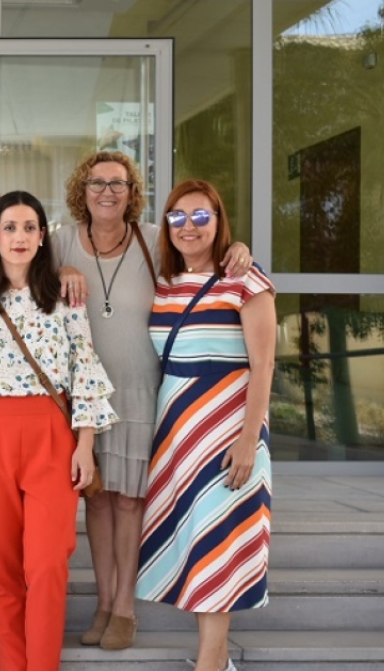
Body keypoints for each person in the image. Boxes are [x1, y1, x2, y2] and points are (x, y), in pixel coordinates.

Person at [54, 151, 254, 649]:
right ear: (82, 189)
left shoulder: (151, 238)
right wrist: (59, 274)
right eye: (97, 183)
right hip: (83, 401)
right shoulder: (59, 242)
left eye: (117, 184)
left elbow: (201, 257)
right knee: (96, 501)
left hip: (143, 392)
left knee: (129, 502)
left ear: (131, 193)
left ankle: (125, 608)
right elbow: (26, 279)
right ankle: (103, 603)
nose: (107, 192)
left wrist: (238, 248)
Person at [0, 191, 117, 671]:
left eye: (29, 227)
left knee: (47, 563)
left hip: (50, 434)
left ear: (42, 238)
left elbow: (84, 370)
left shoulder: (63, 297)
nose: (19, 237)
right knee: (1, 567)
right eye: (10, 227)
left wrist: (85, 445)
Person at [137, 180, 276, 671]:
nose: (189, 226)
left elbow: (264, 365)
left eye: (201, 216)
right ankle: (216, 662)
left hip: (228, 429)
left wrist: (248, 440)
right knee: (197, 545)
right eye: (178, 216)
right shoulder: (165, 283)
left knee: (220, 545)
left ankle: (209, 664)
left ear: (219, 222)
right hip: (178, 432)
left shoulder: (245, 279)